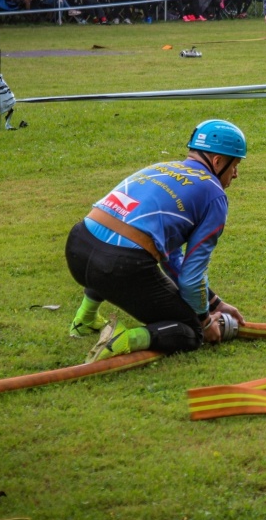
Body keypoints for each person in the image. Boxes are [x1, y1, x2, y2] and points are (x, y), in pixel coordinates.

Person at [66, 120, 247, 362]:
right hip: (118, 267)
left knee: (112, 245)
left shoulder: (161, 168)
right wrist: (204, 322)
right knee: (192, 331)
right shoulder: (214, 195)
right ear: (217, 161)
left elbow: (171, 257)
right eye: (235, 165)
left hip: (77, 246)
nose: (235, 173)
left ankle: (84, 319)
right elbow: (191, 278)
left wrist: (215, 303)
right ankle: (122, 339)